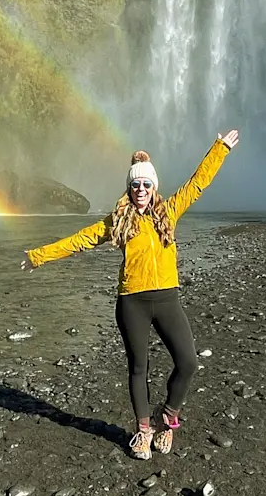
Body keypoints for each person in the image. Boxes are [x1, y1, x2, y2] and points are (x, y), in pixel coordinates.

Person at [20, 130, 239, 460]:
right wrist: (39, 256)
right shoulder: (117, 222)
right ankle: (143, 431)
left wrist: (219, 150)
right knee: (139, 367)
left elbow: (197, 184)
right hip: (132, 302)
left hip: (167, 299)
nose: (140, 190)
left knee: (188, 362)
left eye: (146, 185)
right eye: (135, 185)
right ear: (129, 187)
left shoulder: (170, 211)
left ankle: (168, 418)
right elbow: (79, 240)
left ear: (154, 188)